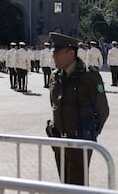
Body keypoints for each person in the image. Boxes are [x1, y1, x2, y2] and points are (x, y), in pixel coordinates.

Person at [47, 32, 109, 185]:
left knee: (77, 185)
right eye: (53, 54)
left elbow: (102, 110)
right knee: (65, 182)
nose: (54, 58)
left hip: (80, 140)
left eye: (57, 54)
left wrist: (90, 132)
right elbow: (54, 105)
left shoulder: (89, 75)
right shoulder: (55, 76)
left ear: (71, 53)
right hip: (59, 140)